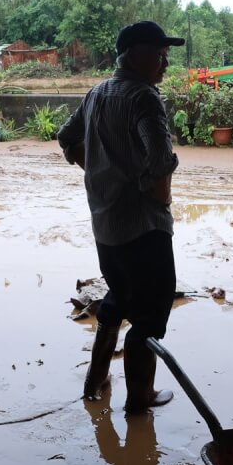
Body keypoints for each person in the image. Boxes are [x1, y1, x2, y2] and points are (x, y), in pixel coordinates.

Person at [58, 21, 184, 412]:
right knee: (149, 316)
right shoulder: (144, 98)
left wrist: (97, 172)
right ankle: (139, 401)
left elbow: (66, 136)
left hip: (107, 227)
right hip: (145, 229)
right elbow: (161, 161)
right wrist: (155, 191)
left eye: (166, 54)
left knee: (120, 297)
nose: (165, 62)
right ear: (132, 56)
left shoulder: (97, 93)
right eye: (157, 53)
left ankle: (95, 382)